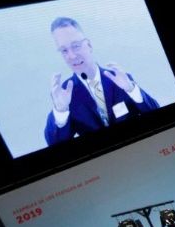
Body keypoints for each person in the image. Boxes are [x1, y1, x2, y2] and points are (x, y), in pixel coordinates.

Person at [44, 16, 161, 145]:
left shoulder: (119, 79)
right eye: (64, 50)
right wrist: (61, 111)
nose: (71, 56)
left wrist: (131, 90)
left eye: (76, 46)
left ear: (89, 45)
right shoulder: (64, 94)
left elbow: (157, 115)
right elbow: (54, 145)